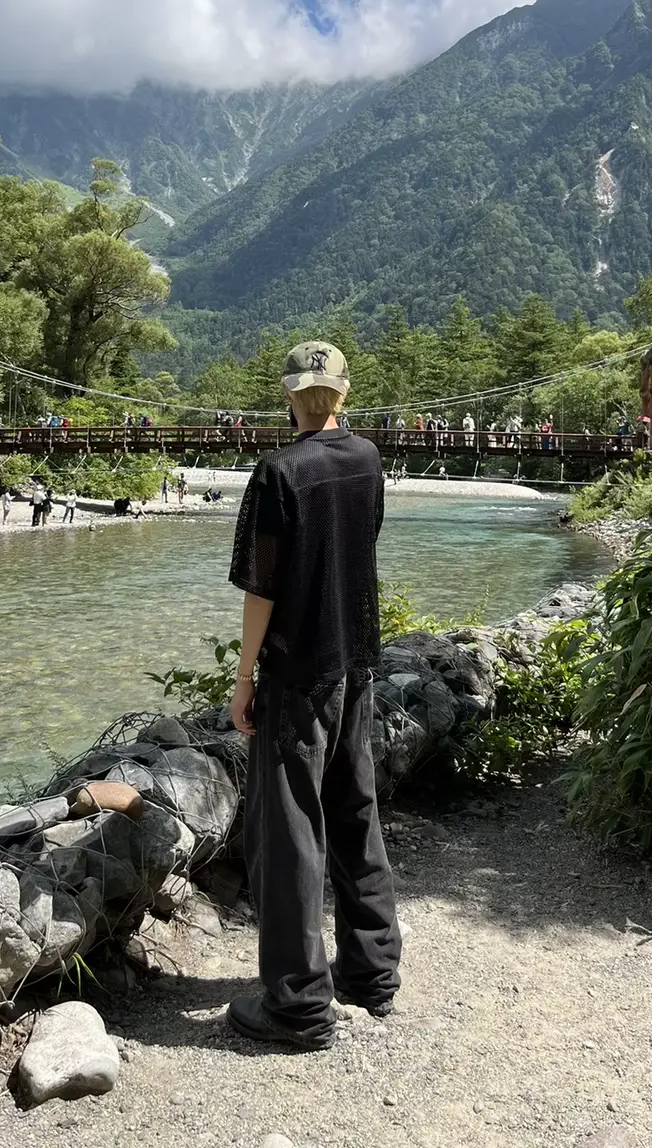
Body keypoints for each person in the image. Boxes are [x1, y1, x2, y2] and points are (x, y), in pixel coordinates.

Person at [226, 339, 399, 1051]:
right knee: (356, 811)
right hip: (355, 665)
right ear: (344, 393)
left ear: (291, 395)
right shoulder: (368, 461)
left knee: (293, 832)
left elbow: (261, 589)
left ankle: (297, 1006)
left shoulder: (277, 473)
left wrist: (244, 680)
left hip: (298, 675)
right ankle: (372, 974)